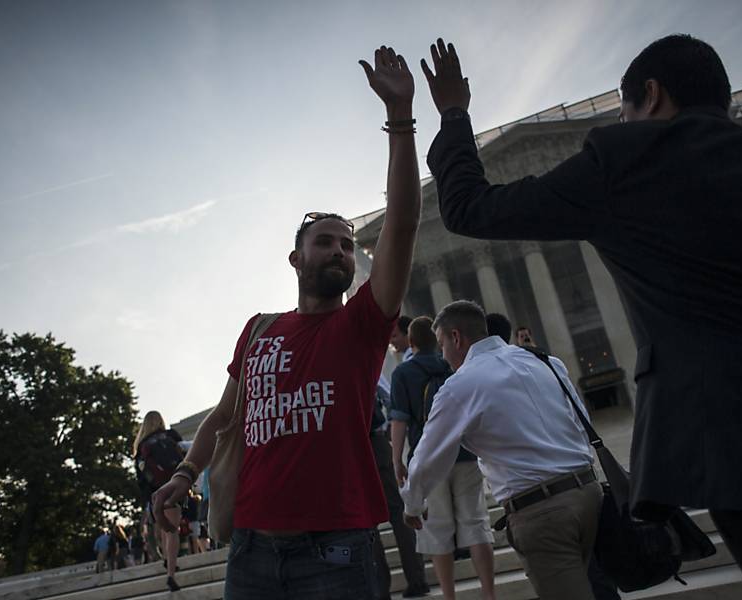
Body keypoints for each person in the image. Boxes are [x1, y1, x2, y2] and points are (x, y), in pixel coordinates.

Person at [419, 35, 742, 598]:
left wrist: (454, 112)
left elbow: (468, 207)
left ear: (650, 96)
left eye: (625, 111)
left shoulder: (624, 164)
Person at [152, 44, 421, 600]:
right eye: (325, 243)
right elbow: (224, 417)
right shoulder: (258, 330)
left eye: (348, 246)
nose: (341, 252)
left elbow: (402, 223)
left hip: (339, 551)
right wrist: (182, 475)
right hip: (251, 551)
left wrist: (399, 121)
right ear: (296, 259)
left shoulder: (362, 325)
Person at [401, 301, 600, 600]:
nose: (443, 355)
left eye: (442, 344)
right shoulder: (546, 361)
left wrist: (413, 504)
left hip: (541, 512)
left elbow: (428, 456)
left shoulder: (459, 386)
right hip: (590, 493)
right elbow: (581, 421)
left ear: (456, 338)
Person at [391, 315, 495, 600]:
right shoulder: (454, 366)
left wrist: (397, 460)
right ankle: (489, 594)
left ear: (411, 343)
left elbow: (399, 420)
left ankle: (449, 596)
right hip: (464, 454)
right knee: (475, 524)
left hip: (429, 460)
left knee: (437, 531)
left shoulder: (403, 374)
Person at [369, 375, 429, 598]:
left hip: (352, 447)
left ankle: (379, 588)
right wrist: (385, 428)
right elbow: (388, 398)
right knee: (397, 513)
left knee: (367, 522)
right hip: (376, 441)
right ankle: (417, 578)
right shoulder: (363, 362)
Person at [134, 410, 186, 591]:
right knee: (173, 530)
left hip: (154, 492)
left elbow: (140, 476)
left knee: (165, 529)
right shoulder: (170, 436)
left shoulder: (142, 446)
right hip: (172, 486)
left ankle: (167, 560)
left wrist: (148, 498)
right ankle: (171, 574)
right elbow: (185, 455)